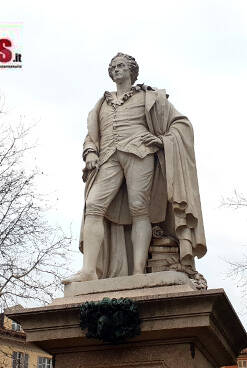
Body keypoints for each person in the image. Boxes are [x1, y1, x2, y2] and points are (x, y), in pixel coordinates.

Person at [62, 52, 206, 284]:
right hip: (108, 156)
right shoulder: (102, 104)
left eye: (121, 66)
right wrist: (90, 152)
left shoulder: (150, 97)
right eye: (113, 67)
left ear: (131, 71)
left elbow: (181, 124)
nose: (116, 69)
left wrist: (163, 141)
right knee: (93, 205)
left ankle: (138, 271)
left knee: (140, 208)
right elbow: (92, 136)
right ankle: (89, 270)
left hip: (140, 152)